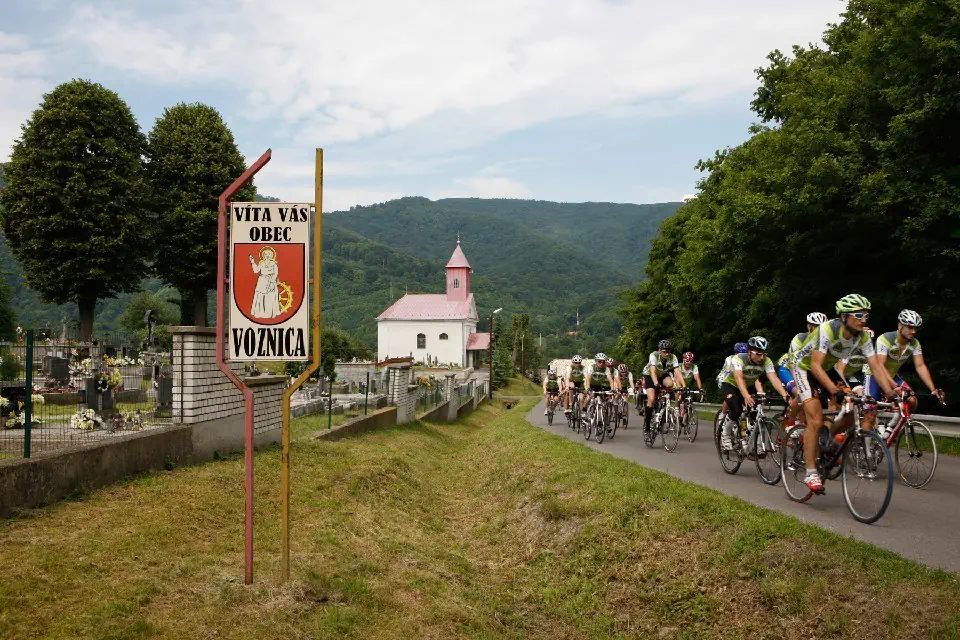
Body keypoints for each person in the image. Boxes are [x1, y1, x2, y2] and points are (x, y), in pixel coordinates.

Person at [790, 294, 897, 494]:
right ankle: (811, 472)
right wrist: (834, 391)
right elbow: (815, 366)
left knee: (851, 410)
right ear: (844, 316)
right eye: (859, 315)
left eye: (866, 315)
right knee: (815, 419)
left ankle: (827, 440)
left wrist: (891, 393)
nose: (863, 320)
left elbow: (876, 367)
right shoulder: (827, 329)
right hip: (804, 367)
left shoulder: (863, 337)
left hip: (828, 368)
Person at [864, 310, 946, 437]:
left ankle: (890, 429)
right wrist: (895, 386)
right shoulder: (885, 339)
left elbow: (920, 366)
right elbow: (880, 366)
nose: (913, 331)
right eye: (910, 327)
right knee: (870, 413)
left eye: (915, 328)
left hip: (892, 376)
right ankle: (864, 446)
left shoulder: (915, 344)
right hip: (874, 376)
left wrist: (933, 390)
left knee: (912, 400)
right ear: (900, 326)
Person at [719, 336, 789, 451]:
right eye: (758, 354)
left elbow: (773, 378)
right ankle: (725, 434)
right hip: (731, 385)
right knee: (736, 409)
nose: (762, 357)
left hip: (748, 385)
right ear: (749, 352)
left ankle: (751, 440)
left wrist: (785, 395)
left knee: (755, 412)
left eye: (764, 354)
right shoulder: (738, 359)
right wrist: (746, 396)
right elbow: (739, 378)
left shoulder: (767, 361)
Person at [778, 312, 829, 425]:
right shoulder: (800, 338)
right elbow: (794, 363)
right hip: (788, 369)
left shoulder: (826, 340)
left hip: (808, 370)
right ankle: (789, 423)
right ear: (809, 326)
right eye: (816, 327)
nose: (820, 330)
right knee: (801, 393)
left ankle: (803, 427)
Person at [642, 340, 685, 433]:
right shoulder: (653, 355)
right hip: (650, 375)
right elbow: (652, 371)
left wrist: (684, 386)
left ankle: (664, 405)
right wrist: (656, 383)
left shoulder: (673, 357)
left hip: (662, 375)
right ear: (659, 350)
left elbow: (677, 371)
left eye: (669, 351)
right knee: (651, 399)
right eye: (665, 352)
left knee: (671, 384)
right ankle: (647, 426)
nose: (667, 354)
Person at [249, 247, 281, 318]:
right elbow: (256, 270)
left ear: (271, 255)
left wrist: (272, 282)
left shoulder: (274, 264)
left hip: (270, 281)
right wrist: (253, 262)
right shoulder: (262, 263)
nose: (267, 255)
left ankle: (269, 314)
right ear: (263, 255)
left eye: (269, 254)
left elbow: (275, 273)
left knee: (269, 297)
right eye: (265, 254)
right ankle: (260, 313)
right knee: (261, 297)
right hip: (262, 281)